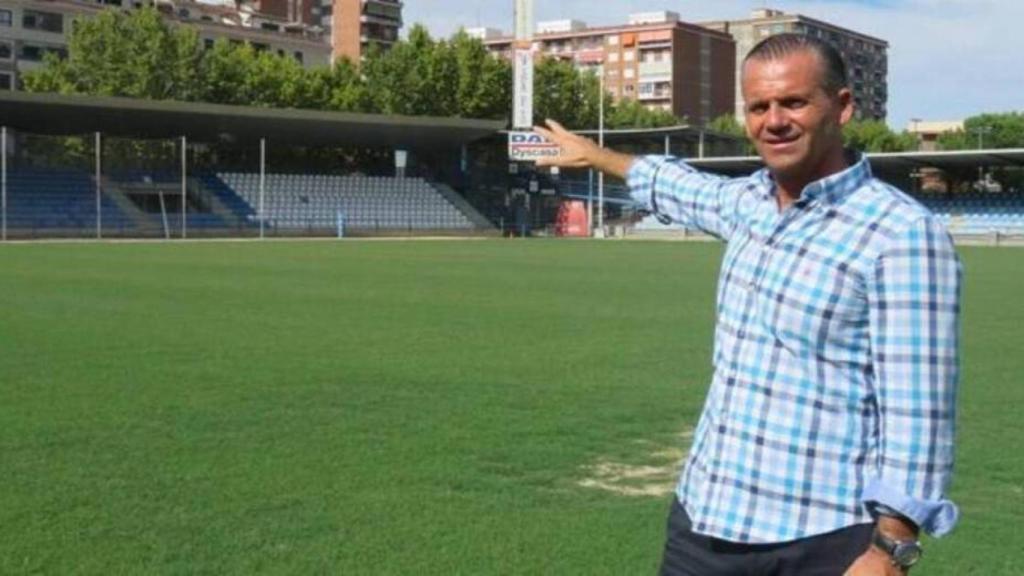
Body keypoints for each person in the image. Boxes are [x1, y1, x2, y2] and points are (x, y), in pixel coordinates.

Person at [536, 34, 961, 576]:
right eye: (759, 107)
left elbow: (919, 411)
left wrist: (891, 549)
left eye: (794, 102)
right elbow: (675, 183)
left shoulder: (902, 235)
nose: (774, 120)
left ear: (844, 106)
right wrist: (595, 155)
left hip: (820, 538)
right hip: (705, 519)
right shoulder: (748, 203)